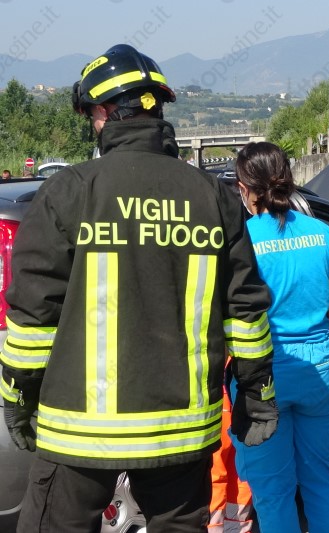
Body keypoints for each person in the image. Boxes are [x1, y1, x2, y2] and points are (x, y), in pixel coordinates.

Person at [0, 43, 278, 533]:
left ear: (106, 112)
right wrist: (257, 393)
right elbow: (246, 313)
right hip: (180, 434)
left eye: (91, 113)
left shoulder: (69, 191)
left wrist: (18, 397)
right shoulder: (212, 196)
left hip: (79, 433)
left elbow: (33, 317)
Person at [230, 141, 329, 533]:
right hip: (320, 370)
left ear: (244, 188)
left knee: (273, 489)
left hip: (263, 377)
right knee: (321, 479)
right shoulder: (323, 233)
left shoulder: (241, 240)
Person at [208, 357, 254, 533]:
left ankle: (216, 527)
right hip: (245, 384)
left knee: (216, 469)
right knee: (241, 469)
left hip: (219, 386)